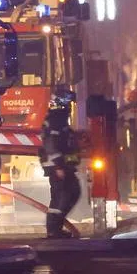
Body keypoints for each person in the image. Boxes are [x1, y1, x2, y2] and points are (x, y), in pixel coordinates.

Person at [39, 86, 81, 239]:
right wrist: (59, 165)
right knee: (63, 196)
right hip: (57, 166)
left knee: (68, 194)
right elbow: (51, 144)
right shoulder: (55, 120)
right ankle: (53, 230)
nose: (70, 107)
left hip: (62, 165)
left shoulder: (58, 119)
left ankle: (55, 229)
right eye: (69, 104)